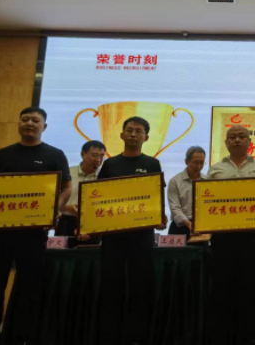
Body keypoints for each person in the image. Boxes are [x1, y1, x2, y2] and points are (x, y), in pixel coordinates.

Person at [0, 106, 72, 345]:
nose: (29, 123)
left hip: (33, 234)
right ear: (19, 123)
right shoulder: (3, 154)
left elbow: (66, 187)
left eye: (35, 120)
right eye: (25, 119)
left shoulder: (54, 154)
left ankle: (22, 338)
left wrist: (54, 210)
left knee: (29, 290)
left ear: (44, 126)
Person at [78, 116, 166, 345]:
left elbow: (156, 197)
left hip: (142, 236)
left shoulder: (152, 164)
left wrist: (160, 216)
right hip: (113, 237)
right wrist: (88, 224)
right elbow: (98, 198)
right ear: (121, 135)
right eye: (129, 130)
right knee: (111, 286)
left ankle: (137, 337)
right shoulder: (110, 164)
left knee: (140, 286)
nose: (133, 134)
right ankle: (109, 336)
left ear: (146, 137)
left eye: (138, 131)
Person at [206, 125, 255, 345]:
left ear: (249, 142)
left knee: (251, 290)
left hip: (251, 239)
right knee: (222, 291)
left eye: (242, 136)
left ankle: (250, 337)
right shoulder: (215, 169)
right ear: (226, 142)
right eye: (232, 137)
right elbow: (206, 202)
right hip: (222, 239)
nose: (237, 140)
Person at [56, 140, 106, 245]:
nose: (98, 160)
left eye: (101, 156)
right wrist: (65, 207)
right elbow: (54, 198)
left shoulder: (104, 175)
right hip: (66, 222)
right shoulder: (68, 173)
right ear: (83, 154)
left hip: (93, 223)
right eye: (94, 155)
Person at [167, 145, 206, 237]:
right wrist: (189, 224)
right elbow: (175, 209)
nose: (199, 166)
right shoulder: (175, 181)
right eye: (195, 162)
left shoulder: (206, 181)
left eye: (202, 163)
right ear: (186, 161)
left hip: (200, 227)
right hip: (180, 227)